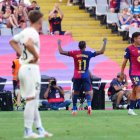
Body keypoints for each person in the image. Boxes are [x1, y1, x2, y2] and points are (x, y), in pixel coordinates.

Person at [9, 10, 53, 138]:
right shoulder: (32, 32)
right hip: (30, 68)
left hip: (25, 67)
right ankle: (28, 130)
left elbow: (12, 41)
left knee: (34, 100)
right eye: (42, 19)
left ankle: (40, 128)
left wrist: (21, 54)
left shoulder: (25, 31)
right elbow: (28, 43)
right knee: (31, 100)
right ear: (39, 20)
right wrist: (36, 55)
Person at [57, 38, 107, 115]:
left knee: (76, 92)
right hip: (85, 75)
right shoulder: (88, 53)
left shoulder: (74, 53)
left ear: (78, 46)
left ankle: (74, 109)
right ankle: (89, 106)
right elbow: (101, 51)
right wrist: (104, 42)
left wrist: (59, 43)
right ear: (85, 46)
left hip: (77, 75)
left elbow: (61, 52)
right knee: (88, 91)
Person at [121, 32, 140, 116]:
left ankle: (131, 109)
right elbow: (124, 62)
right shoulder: (129, 49)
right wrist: (122, 72)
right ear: (135, 39)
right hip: (134, 72)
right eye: (139, 38)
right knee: (138, 88)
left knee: (134, 92)